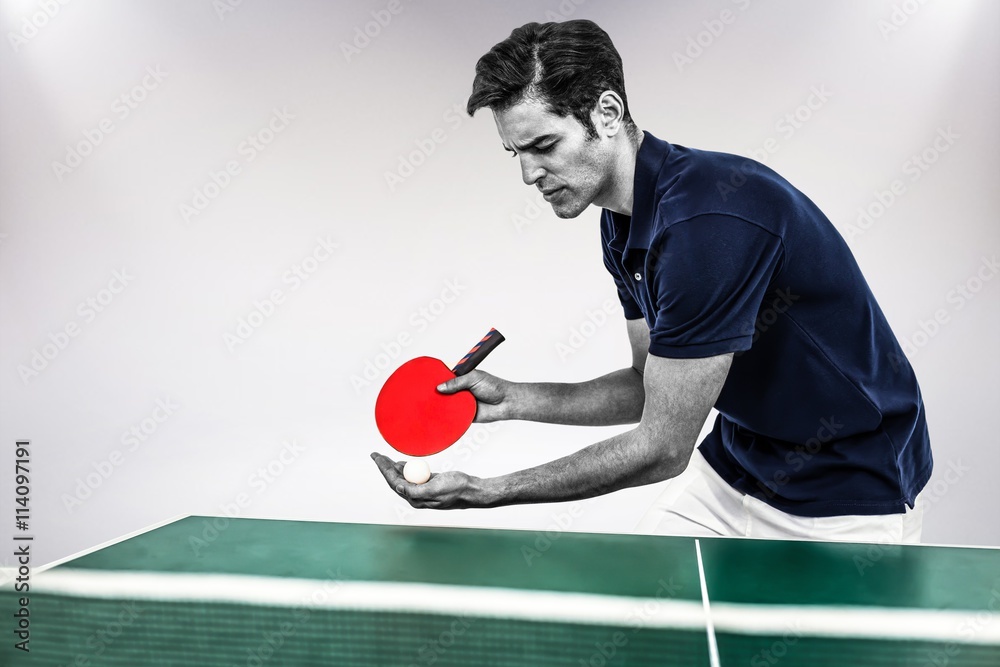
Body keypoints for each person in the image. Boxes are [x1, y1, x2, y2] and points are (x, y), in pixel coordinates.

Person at [371, 19, 932, 542]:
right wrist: (514, 398)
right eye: (514, 152)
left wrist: (486, 492)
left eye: (544, 146)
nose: (527, 174)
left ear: (608, 113)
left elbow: (662, 448)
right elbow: (649, 383)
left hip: (850, 490)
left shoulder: (706, 227)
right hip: (740, 465)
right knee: (648, 630)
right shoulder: (622, 222)